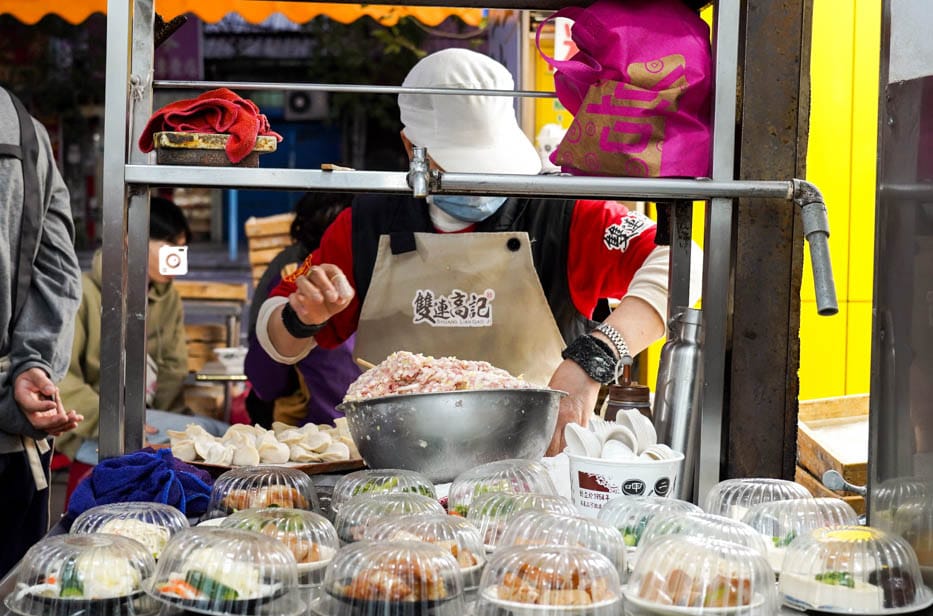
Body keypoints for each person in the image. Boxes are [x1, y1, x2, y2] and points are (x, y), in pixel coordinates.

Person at [255, 48, 702, 453]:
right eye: (464, 166)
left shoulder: (564, 216)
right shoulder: (366, 225)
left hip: (540, 466)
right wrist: (302, 316)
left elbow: (686, 262)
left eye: (492, 165)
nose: (481, 183)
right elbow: (276, 339)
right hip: (398, 472)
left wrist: (595, 357)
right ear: (413, 148)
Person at [58, 196, 227, 465]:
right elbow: (63, 379)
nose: (178, 257)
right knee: (217, 434)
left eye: (182, 248)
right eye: (169, 245)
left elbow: (173, 366)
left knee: (218, 437)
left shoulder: (167, 298)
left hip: (146, 421)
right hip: (88, 428)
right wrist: (117, 426)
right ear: (129, 239)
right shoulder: (82, 293)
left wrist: (171, 427)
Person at [0, 87, 83, 575]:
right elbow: (56, 273)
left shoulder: (25, 133)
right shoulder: (23, 129)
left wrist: (28, 370)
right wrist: (31, 366)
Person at [245, 191, 361, 427]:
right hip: (329, 434)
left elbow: (265, 380)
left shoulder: (294, 273)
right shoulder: (296, 278)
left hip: (316, 429)